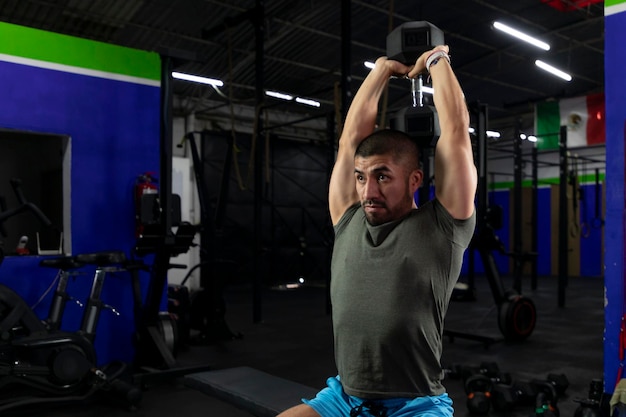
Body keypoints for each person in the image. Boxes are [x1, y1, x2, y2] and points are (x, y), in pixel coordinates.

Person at [277, 44, 477, 417]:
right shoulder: (348, 217)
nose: (368, 191)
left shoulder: (442, 226)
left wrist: (436, 61)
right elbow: (349, 140)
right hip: (343, 398)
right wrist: (382, 70)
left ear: (415, 179)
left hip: (416, 404)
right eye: (361, 177)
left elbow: (455, 134)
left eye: (383, 176)